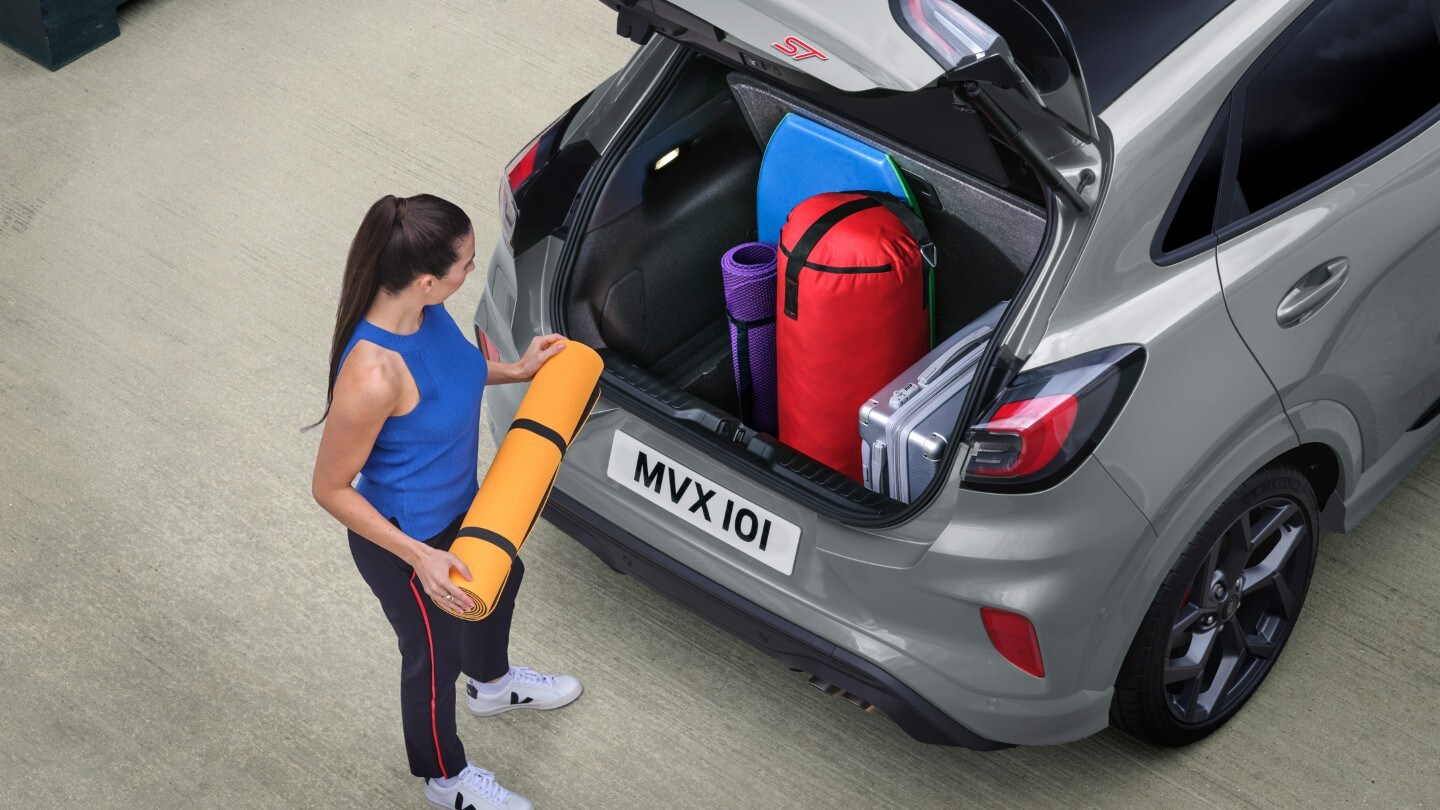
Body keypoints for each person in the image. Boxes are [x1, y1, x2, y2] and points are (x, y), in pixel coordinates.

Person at [310, 193, 578, 810]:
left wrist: (515, 370)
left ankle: (493, 686)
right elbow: (328, 489)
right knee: (434, 654)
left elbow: (453, 376)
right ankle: (445, 780)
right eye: (466, 264)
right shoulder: (373, 375)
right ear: (429, 280)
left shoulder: (427, 315)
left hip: (463, 506)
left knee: (501, 583)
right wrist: (420, 559)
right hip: (405, 539)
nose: (470, 273)